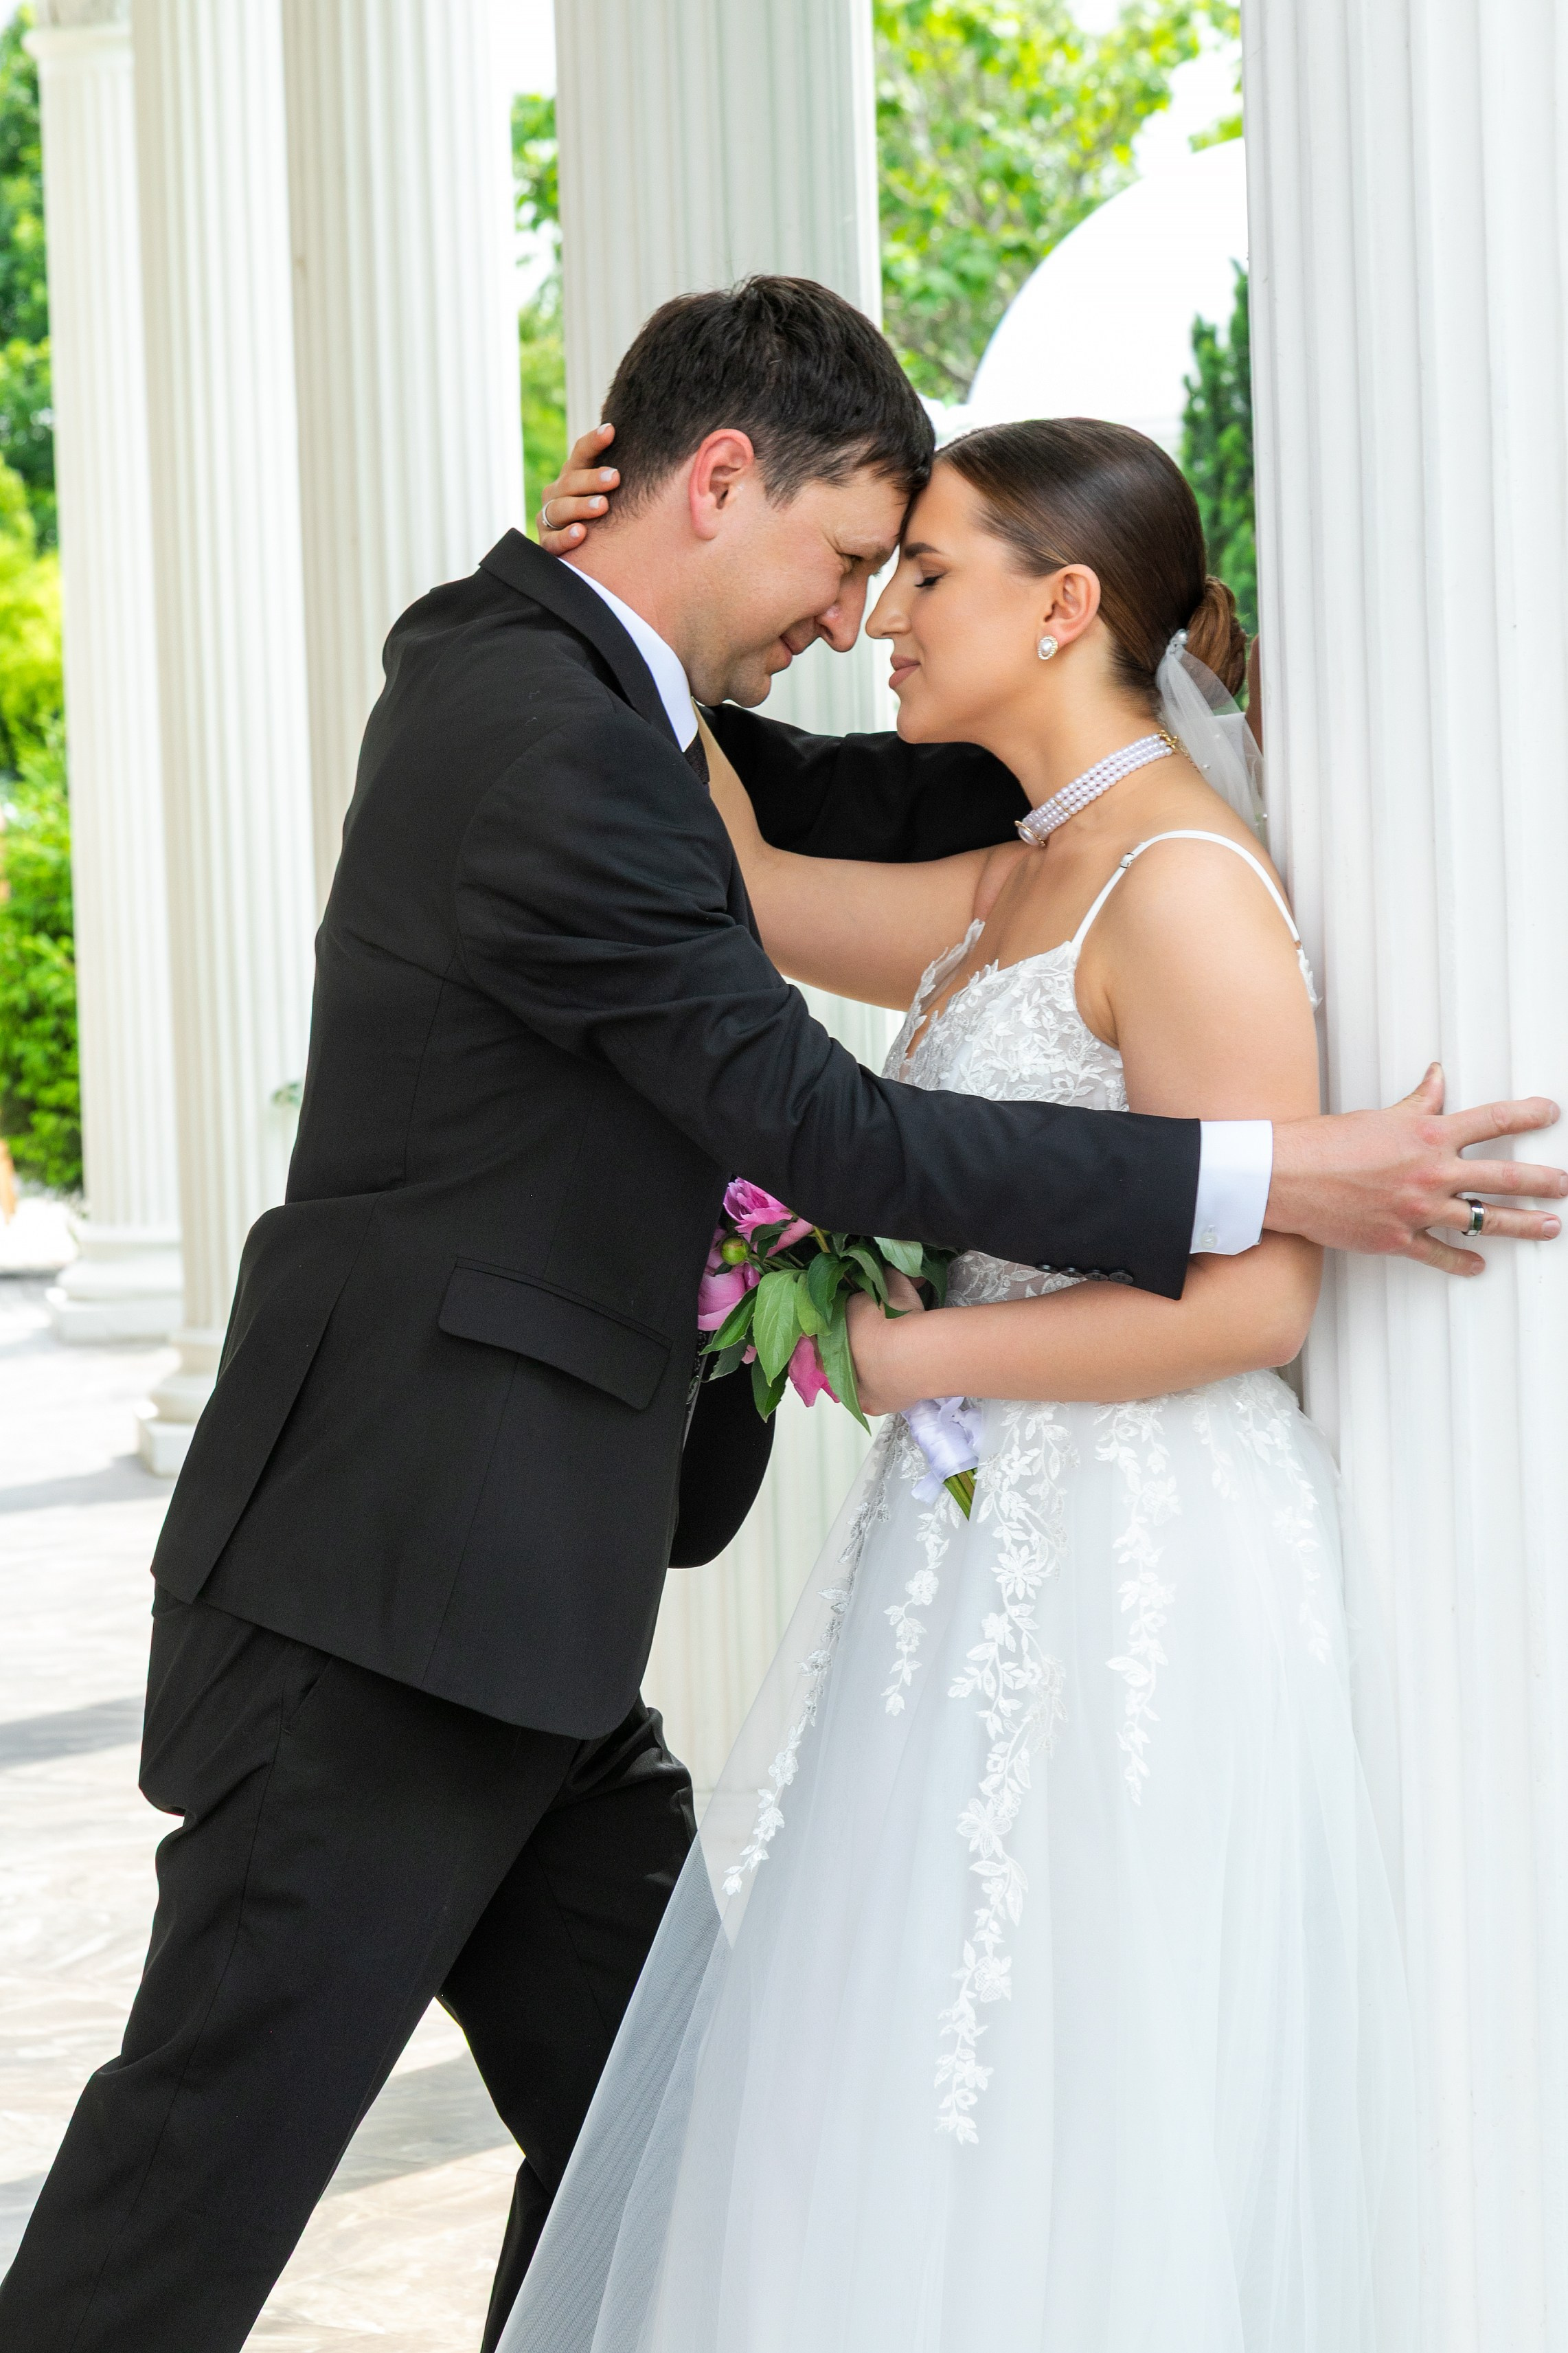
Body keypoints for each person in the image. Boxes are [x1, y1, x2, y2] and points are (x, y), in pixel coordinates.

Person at [1, 281, 1556, 2353]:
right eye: (846, 560)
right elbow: (814, 1119)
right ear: (718, 478)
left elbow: (918, 797)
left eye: (907, 577)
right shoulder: (537, 726)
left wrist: (1182, 697)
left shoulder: (602, 702)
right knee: (191, 2184)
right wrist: (1270, 1172)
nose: (855, 618)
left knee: (678, 2152)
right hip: (390, 1602)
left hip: (523, 1611)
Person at [500, 418, 1423, 2350]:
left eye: (925, 572)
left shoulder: (1181, 880)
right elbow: (745, 890)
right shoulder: (1023, 873)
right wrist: (619, 583)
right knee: (900, 2076)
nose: (883, 617)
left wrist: (901, 1348)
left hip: (1132, 1562)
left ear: (1064, 602)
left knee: (1070, 2093)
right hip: (967, 1540)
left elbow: (1254, 1306)